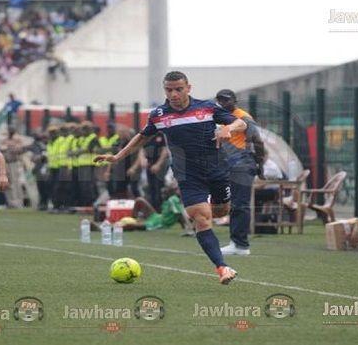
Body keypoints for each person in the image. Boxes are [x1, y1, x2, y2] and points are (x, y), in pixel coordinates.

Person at [94, 71, 247, 284]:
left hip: (216, 170)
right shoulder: (159, 115)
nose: (173, 94)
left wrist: (227, 129)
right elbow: (142, 137)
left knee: (221, 210)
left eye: (178, 89)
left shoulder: (207, 107)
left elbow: (242, 124)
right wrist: (118, 156)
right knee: (201, 218)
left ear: (188, 88)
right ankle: (222, 267)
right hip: (187, 174)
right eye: (169, 90)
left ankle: (212, 208)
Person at [215, 89, 265, 256]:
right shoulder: (224, 119)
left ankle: (240, 245)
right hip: (231, 164)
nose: (223, 103)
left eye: (226, 100)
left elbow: (257, 141)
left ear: (234, 101)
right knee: (235, 203)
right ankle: (237, 242)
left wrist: (261, 165)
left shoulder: (243, 117)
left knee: (240, 204)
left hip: (242, 163)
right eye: (220, 100)